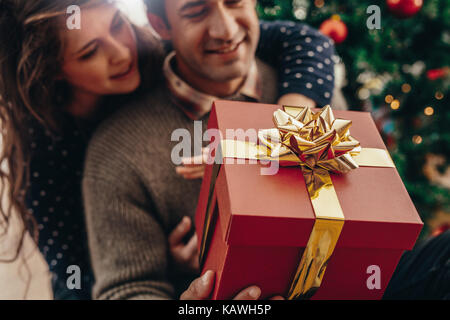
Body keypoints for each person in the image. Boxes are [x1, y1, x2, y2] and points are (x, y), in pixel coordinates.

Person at [0, 0, 335, 300]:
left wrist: (290, 130)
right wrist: (167, 264)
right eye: (89, 51)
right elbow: (97, 278)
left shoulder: (151, 51)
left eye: (118, 24)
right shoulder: (46, 150)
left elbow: (306, 40)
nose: (121, 52)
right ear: (52, 72)